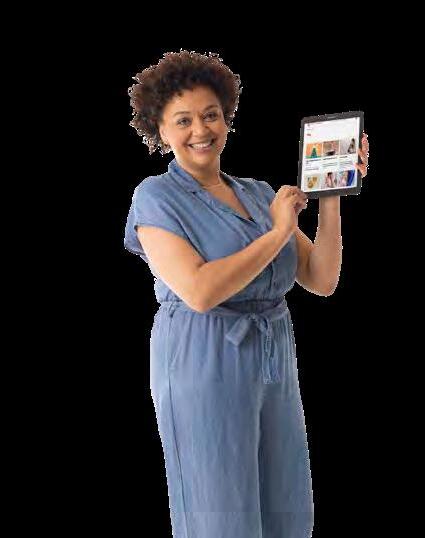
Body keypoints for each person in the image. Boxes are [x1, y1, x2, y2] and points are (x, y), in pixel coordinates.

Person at [124, 50, 314, 538]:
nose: (200, 130)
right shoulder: (155, 198)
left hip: (273, 354)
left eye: (210, 115)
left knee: (286, 507)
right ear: (160, 130)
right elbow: (200, 291)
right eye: (183, 120)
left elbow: (322, 278)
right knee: (220, 509)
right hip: (204, 355)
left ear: (226, 117)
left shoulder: (257, 193)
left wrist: (333, 197)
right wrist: (278, 232)